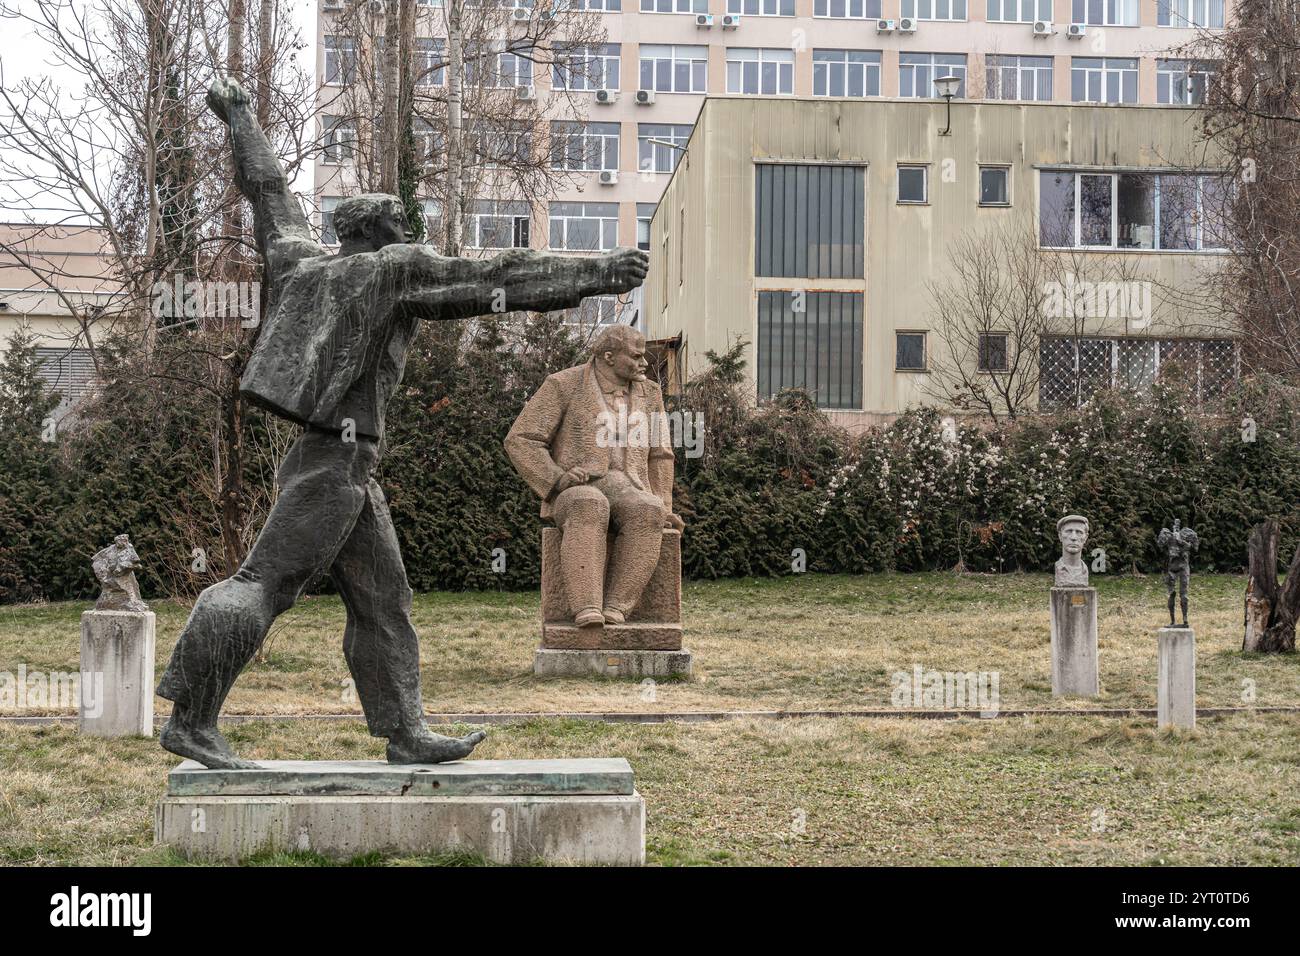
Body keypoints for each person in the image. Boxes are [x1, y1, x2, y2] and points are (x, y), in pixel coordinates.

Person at [156, 77, 649, 769]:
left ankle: (404, 730)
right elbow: (491, 278)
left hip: (341, 459)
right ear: (380, 230)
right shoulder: (392, 269)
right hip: (335, 461)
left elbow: (267, 192)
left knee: (384, 600)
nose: (409, 228)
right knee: (262, 583)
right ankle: (191, 720)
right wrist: (596, 272)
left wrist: (238, 115)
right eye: (400, 219)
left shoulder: (300, 262)